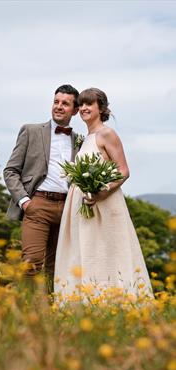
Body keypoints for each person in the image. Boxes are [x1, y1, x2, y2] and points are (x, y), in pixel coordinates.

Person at [54, 88, 153, 301]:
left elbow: (123, 170)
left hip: (103, 204)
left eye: (89, 104)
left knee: (104, 252)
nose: (84, 108)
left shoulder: (107, 134)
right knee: (85, 252)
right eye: (81, 104)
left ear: (101, 108)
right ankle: (86, 301)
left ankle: (112, 301)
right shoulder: (86, 138)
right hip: (83, 205)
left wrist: (99, 193)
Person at [3, 84, 79, 288]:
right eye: (56, 102)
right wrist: (25, 202)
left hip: (66, 210)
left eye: (65, 103)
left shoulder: (78, 140)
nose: (59, 106)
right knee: (31, 263)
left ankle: (51, 314)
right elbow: (10, 171)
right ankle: (26, 313)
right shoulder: (31, 131)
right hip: (38, 206)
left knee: (57, 269)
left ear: (75, 110)